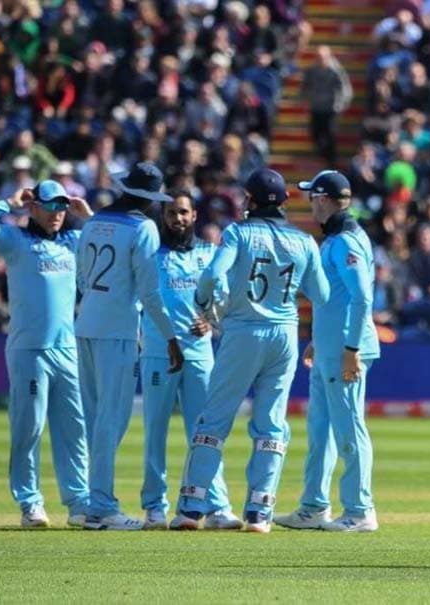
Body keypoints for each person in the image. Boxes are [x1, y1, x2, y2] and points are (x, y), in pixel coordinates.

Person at [172, 168, 329, 533]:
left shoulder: (239, 233)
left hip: (243, 332)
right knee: (271, 424)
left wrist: (203, 303)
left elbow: (212, 275)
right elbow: (322, 295)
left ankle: (192, 508)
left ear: (250, 201)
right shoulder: (304, 241)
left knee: (214, 420)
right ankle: (260, 511)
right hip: (285, 335)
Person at [76, 162, 184, 531]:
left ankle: (95, 502)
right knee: (112, 419)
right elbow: (151, 293)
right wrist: (170, 336)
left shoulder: (92, 222)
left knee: (96, 420)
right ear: (150, 198)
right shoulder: (144, 227)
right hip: (117, 331)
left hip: (86, 323)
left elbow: (80, 277)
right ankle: (101, 508)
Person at [274, 170, 381, 532]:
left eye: (311, 197)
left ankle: (359, 510)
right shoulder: (336, 239)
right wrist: (320, 339)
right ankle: (314, 506)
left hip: (345, 352)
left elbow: (362, 297)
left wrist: (350, 348)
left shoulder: (347, 241)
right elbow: (335, 298)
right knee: (320, 429)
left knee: (349, 427)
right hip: (330, 349)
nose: (309, 204)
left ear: (322, 199)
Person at [0, 181, 93, 528]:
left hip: (66, 351)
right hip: (29, 350)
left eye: (62, 207)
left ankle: (79, 503)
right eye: (50, 207)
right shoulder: (15, 241)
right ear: (33, 207)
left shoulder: (73, 242)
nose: (58, 214)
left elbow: (111, 245)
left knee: (74, 430)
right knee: (29, 427)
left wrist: (88, 216)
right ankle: (30, 503)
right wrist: (8, 202)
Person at [139, 190, 241, 530]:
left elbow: (225, 299)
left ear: (194, 215)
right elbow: (139, 302)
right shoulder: (150, 256)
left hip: (200, 355)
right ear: (162, 217)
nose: (177, 219)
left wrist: (211, 320)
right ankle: (154, 506)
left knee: (206, 433)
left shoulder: (210, 255)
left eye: (183, 212)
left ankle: (217, 506)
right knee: (155, 432)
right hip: (158, 354)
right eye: (171, 213)